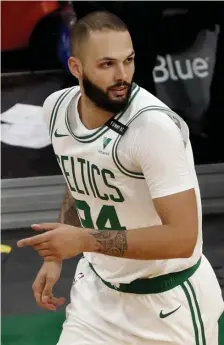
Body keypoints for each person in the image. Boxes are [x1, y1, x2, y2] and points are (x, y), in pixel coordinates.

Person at [17, 11, 224, 345]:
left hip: (167, 304)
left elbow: (183, 237)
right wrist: (56, 256)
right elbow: (78, 180)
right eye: (107, 64)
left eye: (128, 61)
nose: (122, 75)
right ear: (76, 68)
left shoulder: (152, 128)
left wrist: (83, 240)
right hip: (97, 296)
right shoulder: (56, 109)